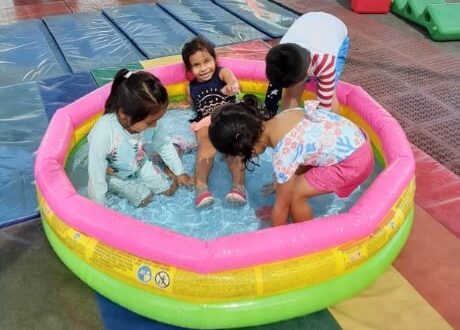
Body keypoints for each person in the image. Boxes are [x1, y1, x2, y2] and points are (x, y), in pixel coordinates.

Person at [208, 95, 374, 227]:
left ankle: (304, 237)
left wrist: (276, 233)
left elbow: (282, 205)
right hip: (358, 143)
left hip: (352, 165)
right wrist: (282, 186)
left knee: (294, 195)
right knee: (289, 187)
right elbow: (304, 150)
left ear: (247, 147)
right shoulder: (284, 116)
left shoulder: (283, 152)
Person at [87, 69, 194, 207]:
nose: (155, 125)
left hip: (140, 163)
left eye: (158, 119)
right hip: (113, 175)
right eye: (150, 122)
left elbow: (163, 144)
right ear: (124, 114)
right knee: (144, 199)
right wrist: (97, 211)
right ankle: (118, 188)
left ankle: (164, 173)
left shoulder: (149, 120)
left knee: (168, 191)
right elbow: (96, 178)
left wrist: (179, 172)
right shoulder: (104, 131)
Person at [182, 36, 246, 208]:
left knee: (235, 147)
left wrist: (232, 86)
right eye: (196, 65)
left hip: (228, 117)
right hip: (205, 122)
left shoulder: (222, 73)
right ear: (189, 68)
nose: (203, 68)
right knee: (205, 144)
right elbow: (191, 106)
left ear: (215, 59)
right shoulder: (191, 88)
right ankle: (201, 187)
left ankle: (238, 186)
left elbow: (233, 82)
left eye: (207, 61)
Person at [264, 11, 349, 116]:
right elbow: (273, 92)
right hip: (308, 22)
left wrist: (321, 126)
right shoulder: (281, 54)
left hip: (335, 28)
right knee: (292, 90)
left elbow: (325, 108)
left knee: (329, 95)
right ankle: (289, 120)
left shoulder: (325, 63)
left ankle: (335, 125)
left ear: (308, 74)